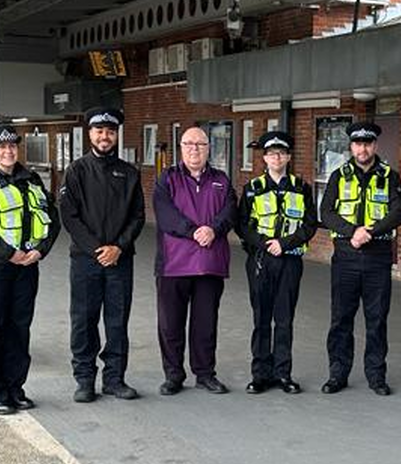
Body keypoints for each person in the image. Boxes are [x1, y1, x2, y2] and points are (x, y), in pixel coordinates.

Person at [0, 124, 61, 415]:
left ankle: (15, 388)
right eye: (1, 147)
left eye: (12, 146)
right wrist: (11, 254)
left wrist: (40, 251)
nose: (8, 151)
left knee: (19, 327)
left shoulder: (31, 180)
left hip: (27, 266)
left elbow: (52, 218)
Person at [58, 106, 145, 403]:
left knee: (117, 321)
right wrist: (97, 250)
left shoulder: (129, 172)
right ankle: (84, 380)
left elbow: (138, 216)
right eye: (99, 131)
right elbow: (69, 216)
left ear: (116, 134)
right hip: (85, 261)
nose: (104, 136)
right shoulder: (76, 171)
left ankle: (114, 379)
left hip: (120, 260)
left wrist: (118, 247)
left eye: (110, 131)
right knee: (84, 320)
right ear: (90, 134)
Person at [318, 121, 401, 396]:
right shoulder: (338, 176)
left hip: (378, 256)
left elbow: (399, 210)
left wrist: (369, 232)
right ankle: (337, 374)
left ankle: (376, 375)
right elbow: (327, 213)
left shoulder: (390, 177)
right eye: (358, 144)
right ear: (351, 146)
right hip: (345, 256)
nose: (363, 149)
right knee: (341, 318)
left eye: (367, 143)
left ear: (375, 146)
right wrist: (352, 232)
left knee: (377, 318)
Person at [152, 125, 237, 396]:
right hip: (173, 265)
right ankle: (173, 374)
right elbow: (165, 214)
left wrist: (213, 229)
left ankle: (205, 374)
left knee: (205, 324)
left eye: (200, 144)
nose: (194, 149)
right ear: (181, 148)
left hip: (210, 265)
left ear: (209, 148)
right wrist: (193, 231)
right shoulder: (167, 179)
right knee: (170, 324)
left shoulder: (222, 180)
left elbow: (230, 211)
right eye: (188, 144)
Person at [235, 130, 317, 395]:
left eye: (281, 153)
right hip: (261, 261)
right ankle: (260, 375)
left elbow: (309, 225)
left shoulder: (301, 188)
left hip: (290, 261)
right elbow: (242, 226)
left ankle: (283, 374)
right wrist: (265, 243)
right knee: (261, 318)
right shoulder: (252, 189)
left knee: (284, 319)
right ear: (265, 158)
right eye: (271, 154)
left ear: (288, 157)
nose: (276, 158)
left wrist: (285, 243)